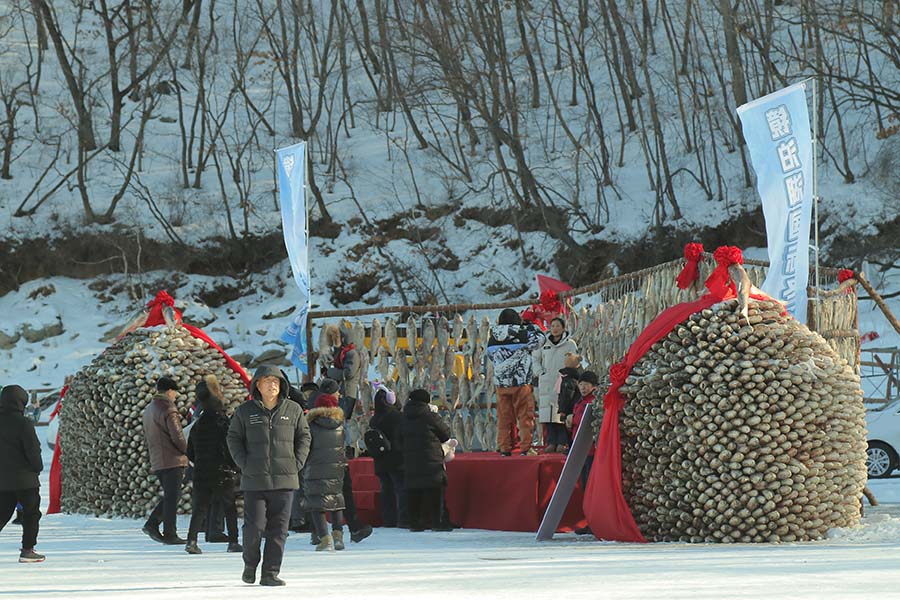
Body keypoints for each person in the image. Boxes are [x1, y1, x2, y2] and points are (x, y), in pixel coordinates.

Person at [227, 366, 311, 587]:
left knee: (279, 530)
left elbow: (304, 437)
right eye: (266, 381)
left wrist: (297, 463)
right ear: (257, 385)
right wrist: (244, 463)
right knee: (254, 526)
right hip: (255, 480)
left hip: (285, 480)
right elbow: (233, 438)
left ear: (282, 385)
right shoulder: (245, 411)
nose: (272, 385)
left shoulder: (293, 410)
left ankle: (270, 573)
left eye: (276, 381)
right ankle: (250, 564)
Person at [185, 375, 242, 555]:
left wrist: (199, 462)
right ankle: (233, 541)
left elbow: (190, 452)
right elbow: (228, 446)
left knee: (200, 508)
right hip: (221, 471)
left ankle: (191, 540)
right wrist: (234, 466)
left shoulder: (197, 424)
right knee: (229, 508)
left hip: (201, 472)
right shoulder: (222, 423)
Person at [486, 308, 544, 456]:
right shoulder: (522, 333)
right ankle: (526, 448)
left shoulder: (492, 337)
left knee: (504, 418)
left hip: (501, 384)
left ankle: (504, 448)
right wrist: (532, 327)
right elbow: (540, 340)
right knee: (525, 416)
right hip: (520, 382)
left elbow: (490, 356)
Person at [0, 385, 45, 563]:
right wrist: (37, 467)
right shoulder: (23, 423)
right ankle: (28, 550)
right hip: (25, 480)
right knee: (31, 514)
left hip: (2, 480)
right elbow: (33, 450)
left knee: (2, 513)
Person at [142, 376, 188, 545]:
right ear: (170, 391)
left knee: (171, 496)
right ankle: (167, 531)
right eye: (175, 392)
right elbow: (177, 436)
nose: (175, 396)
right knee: (173, 496)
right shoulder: (168, 409)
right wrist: (187, 451)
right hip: (172, 459)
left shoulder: (149, 409)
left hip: (158, 459)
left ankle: (154, 525)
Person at [301, 390, 348, 551]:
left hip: (315, 468)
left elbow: (306, 447)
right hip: (336, 468)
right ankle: (338, 535)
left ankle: (324, 538)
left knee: (316, 503)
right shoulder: (340, 426)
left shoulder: (311, 425)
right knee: (336, 500)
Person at [402, 389, 452, 532]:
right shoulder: (430, 416)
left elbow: (398, 438)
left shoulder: (404, 417)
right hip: (431, 459)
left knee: (414, 492)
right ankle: (438, 522)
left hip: (410, 460)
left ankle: (415, 523)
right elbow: (445, 434)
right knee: (435, 492)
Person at [533, 317, 577, 453]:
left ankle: (562, 442)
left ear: (563, 328)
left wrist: (569, 374)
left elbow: (575, 360)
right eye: (552, 326)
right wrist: (540, 372)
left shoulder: (570, 344)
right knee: (548, 413)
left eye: (558, 326)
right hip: (546, 381)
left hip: (563, 382)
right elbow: (535, 359)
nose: (555, 328)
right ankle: (551, 441)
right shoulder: (542, 344)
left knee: (562, 411)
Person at [368, 385, 407, 528]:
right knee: (401, 489)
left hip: (381, 460)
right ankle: (403, 519)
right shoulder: (398, 417)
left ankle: (389, 519)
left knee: (386, 491)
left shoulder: (375, 419)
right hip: (397, 458)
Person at [567, 371, 598, 492]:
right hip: (578, 448)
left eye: (586, 384)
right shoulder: (580, 401)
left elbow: (584, 421)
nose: (583, 388)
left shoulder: (593, 402)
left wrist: (572, 419)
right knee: (582, 482)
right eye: (581, 384)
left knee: (589, 483)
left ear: (594, 386)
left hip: (589, 449)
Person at [555, 352, 583, 453]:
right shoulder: (577, 378)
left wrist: (562, 409)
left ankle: (571, 448)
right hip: (576, 408)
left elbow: (566, 396)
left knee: (569, 430)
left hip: (569, 409)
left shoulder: (568, 379)